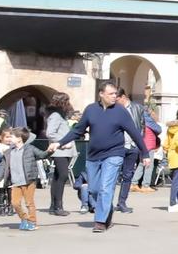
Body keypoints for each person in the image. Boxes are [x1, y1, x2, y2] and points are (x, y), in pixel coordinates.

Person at [56, 81, 148, 233]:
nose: (115, 97)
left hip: (114, 154)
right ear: (101, 94)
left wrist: (144, 153)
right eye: (111, 94)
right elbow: (78, 130)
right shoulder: (91, 110)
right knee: (94, 190)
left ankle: (100, 221)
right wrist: (59, 143)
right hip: (93, 156)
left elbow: (134, 133)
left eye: (116, 94)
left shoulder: (120, 111)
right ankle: (107, 211)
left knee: (105, 188)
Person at [0, 127, 40, 231]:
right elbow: (3, 166)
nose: (10, 138)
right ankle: (24, 218)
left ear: (19, 138)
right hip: (16, 182)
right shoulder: (9, 151)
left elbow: (42, 154)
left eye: (12, 136)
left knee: (29, 203)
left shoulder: (30, 148)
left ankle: (32, 222)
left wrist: (50, 151)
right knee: (15, 203)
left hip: (29, 180)